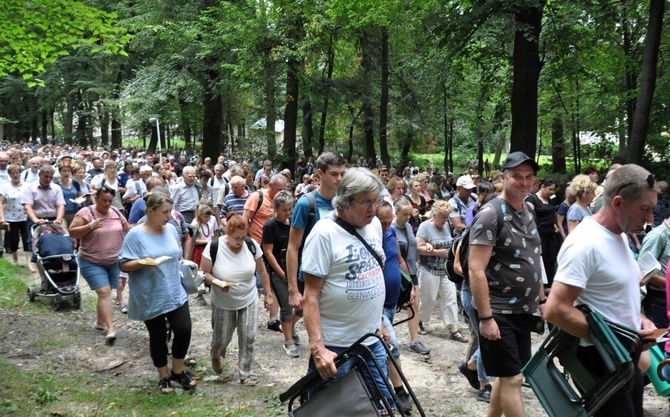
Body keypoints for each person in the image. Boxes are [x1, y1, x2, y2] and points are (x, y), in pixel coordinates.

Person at [545, 164, 658, 417]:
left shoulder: (619, 233)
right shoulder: (585, 243)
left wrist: (639, 319)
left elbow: (612, 294)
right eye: (645, 209)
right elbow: (555, 310)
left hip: (625, 357)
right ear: (618, 203)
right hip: (600, 360)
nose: (651, 218)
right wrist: (617, 337)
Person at [302, 167, 395, 413]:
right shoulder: (323, 234)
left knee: (382, 408)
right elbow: (310, 296)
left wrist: (380, 323)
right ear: (344, 200)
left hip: (371, 340)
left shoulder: (373, 224)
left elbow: (373, 277)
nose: (373, 209)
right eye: (366, 202)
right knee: (333, 412)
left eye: (376, 201)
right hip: (336, 348)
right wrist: (318, 348)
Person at [469, 151, 544, 417]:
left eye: (528, 177)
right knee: (513, 379)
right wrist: (486, 317)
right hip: (499, 311)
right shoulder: (490, 214)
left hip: (523, 311)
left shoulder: (528, 209)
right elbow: (476, 269)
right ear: (503, 178)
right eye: (516, 177)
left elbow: (535, 258)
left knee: (507, 376)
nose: (524, 182)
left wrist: (542, 300)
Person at [119, 191, 197, 393]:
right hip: (150, 293)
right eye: (164, 212)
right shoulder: (136, 234)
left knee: (183, 329)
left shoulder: (171, 229)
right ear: (150, 211)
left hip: (174, 289)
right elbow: (123, 264)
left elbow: (176, 255)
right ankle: (163, 376)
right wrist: (141, 263)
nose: (169, 216)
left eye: (170, 211)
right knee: (158, 335)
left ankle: (178, 371)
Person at [200, 212, 274, 386]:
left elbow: (262, 271)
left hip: (248, 296)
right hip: (223, 300)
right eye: (236, 238)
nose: (239, 241)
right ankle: (216, 353)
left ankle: (245, 373)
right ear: (227, 233)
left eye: (243, 237)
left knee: (248, 336)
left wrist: (268, 294)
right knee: (222, 337)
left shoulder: (251, 245)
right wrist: (218, 283)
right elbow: (204, 273)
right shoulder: (214, 246)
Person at [287, 151, 346, 315]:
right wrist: (293, 290)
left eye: (342, 174)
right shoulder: (306, 204)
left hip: (339, 275)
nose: (339, 179)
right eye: (334, 174)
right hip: (313, 276)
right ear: (320, 173)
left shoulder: (345, 202)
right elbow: (293, 247)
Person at [69, 186, 130, 345]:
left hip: (113, 261)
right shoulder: (86, 213)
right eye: (104, 200)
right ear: (95, 198)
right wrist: (90, 226)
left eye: (110, 200)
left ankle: (99, 322)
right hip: (91, 261)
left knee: (106, 293)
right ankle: (110, 329)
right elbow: (72, 232)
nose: (108, 204)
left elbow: (127, 229)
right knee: (104, 292)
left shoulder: (116, 212)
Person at [377, 200, 414, 414]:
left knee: (384, 350)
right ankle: (399, 393)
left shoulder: (390, 233)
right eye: (382, 222)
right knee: (393, 347)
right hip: (377, 307)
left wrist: (409, 287)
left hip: (391, 304)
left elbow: (399, 260)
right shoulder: (369, 236)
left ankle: (386, 390)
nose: (386, 226)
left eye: (389, 222)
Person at [415, 199, 467, 342]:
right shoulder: (425, 227)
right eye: (442, 217)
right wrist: (435, 252)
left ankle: (453, 329)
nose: (445, 220)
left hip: (445, 270)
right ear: (435, 214)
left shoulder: (447, 226)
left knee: (450, 298)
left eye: (447, 217)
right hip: (429, 269)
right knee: (428, 298)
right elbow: (418, 247)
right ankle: (419, 321)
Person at [262, 191, 300, 357]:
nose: (288, 213)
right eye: (284, 209)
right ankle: (288, 341)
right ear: (276, 208)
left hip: (295, 270)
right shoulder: (269, 226)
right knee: (286, 306)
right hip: (278, 271)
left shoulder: (293, 222)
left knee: (302, 305)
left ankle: (290, 326)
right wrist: (282, 273)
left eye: (290, 209)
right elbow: (268, 253)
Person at [392, 197, 429, 355]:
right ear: (397, 212)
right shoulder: (391, 228)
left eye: (409, 214)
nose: (408, 217)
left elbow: (414, 245)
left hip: (412, 271)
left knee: (414, 305)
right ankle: (386, 338)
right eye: (404, 214)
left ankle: (414, 340)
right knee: (391, 307)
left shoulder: (408, 226)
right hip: (398, 273)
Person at [21, 164, 65, 260]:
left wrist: (59, 219)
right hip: (36, 220)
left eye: (50, 177)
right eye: (46, 176)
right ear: (40, 175)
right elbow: (28, 206)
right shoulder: (30, 188)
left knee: (56, 242)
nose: (48, 179)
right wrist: (35, 220)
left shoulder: (57, 188)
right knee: (35, 245)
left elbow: (60, 205)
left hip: (53, 220)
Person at [637, 212, 670, 332]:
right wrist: (668, 283)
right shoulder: (658, 236)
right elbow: (642, 271)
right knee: (661, 337)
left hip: (666, 298)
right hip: (658, 299)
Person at [525, 178, 560, 287]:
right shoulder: (532, 199)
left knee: (551, 259)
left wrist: (554, 225)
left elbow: (551, 214)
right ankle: (540, 285)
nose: (551, 192)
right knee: (541, 259)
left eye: (553, 190)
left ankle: (549, 284)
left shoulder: (550, 199)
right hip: (539, 234)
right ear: (543, 186)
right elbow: (529, 217)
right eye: (550, 189)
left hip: (551, 233)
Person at [0, 164, 30, 267]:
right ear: (10, 175)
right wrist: (2, 217)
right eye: (13, 173)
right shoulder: (5, 187)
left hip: (25, 216)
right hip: (11, 217)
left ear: (20, 173)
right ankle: (15, 259)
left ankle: (29, 262)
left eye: (17, 173)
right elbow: (1, 203)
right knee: (14, 239)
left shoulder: (27, 186)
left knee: (27, 239)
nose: (16, 175)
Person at [191, 203, 218, 306]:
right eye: (206, 216)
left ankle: (213, 293)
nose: (208, 218)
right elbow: (195, 241)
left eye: (209, 216)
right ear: (200, 215)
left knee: (210, 271)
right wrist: (207, 242)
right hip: (199, 250)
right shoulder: (195, 225)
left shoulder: (209, 225)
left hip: (208, 250)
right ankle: (199, 294)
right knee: (200, 273)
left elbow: (211, 236)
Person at [55, 161, 82, 227]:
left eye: (68, 171)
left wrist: (78, 200)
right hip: (61, 214)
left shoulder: (75, 183)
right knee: (64, 234)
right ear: (60, 172)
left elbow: (80, 195)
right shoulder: (56, 184)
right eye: (64, 171)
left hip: (74, 212)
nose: (66, 173)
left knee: (74, 234)